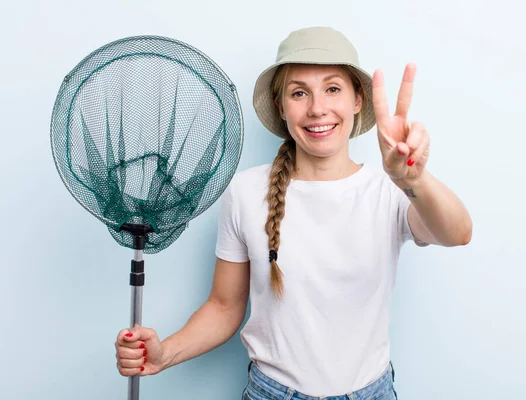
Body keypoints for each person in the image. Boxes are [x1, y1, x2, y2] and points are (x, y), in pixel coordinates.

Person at [114, 26, 472, 400]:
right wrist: (164, 353)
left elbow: (457, 232)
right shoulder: (246, 192)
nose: (317, 108)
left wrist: (414, 178)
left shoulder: (389, 191)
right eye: (299, 92)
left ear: (357, 100)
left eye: (333, 88)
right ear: (281, 106)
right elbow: (224, 306)